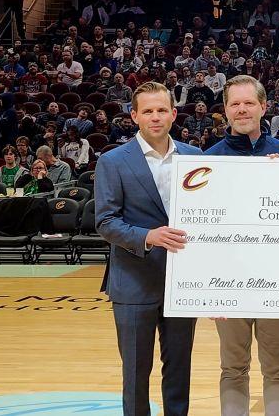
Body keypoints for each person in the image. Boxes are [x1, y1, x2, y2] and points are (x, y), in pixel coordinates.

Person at [95, 82, 202, 416]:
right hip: (134, 281)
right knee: (137, 374)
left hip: (182, 283)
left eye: (161, 110)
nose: (155, 117)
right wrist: (147, 236)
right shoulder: (113, 161)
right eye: (147, 111)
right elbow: (105, 222)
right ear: (134, 115)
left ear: (173, 113)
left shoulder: (195, 157)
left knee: (179, 372)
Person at [204, 75, 279, 416]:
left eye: (248, 103)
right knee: (232, 368)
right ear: (225, 110)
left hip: (276, 281)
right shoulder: (207, 159)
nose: (241, 110)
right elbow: (201, 229)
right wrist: (207, 287)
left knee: (278, 368)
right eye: (234, 104)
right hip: (228, 281)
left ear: (263, 107)